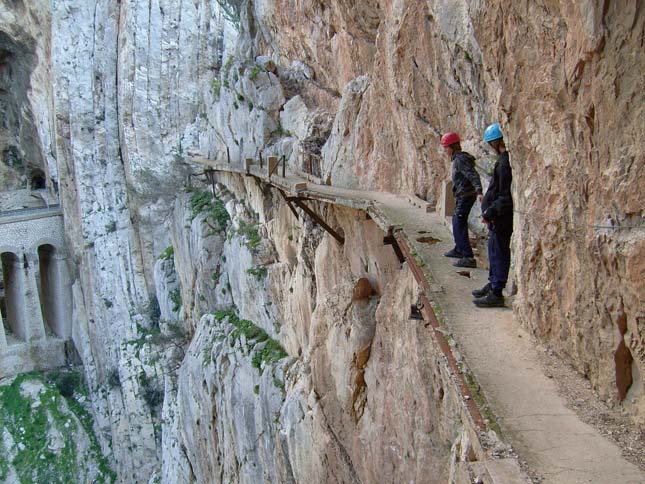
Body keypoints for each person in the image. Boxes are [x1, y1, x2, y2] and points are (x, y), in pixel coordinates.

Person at [472, 123, 514, 308]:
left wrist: (490, 211)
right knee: (494, 251)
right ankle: (492, 283)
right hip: (497, 217)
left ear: (495, 143)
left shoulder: (505, 163)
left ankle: (496, 291)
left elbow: (504, 196)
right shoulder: (503, 161)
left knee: (499, 252)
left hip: (501, 218)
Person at [441, 132, 483, 268]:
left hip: (466, 195)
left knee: (458, 223)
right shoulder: (458, 158)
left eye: (446, 148)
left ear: (451, 147)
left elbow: (472, 175)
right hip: (462, 195)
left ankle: (468, 256)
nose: (445, 151)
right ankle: (459, 249)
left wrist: (479, 190)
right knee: (457, 221)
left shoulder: (460, 160)